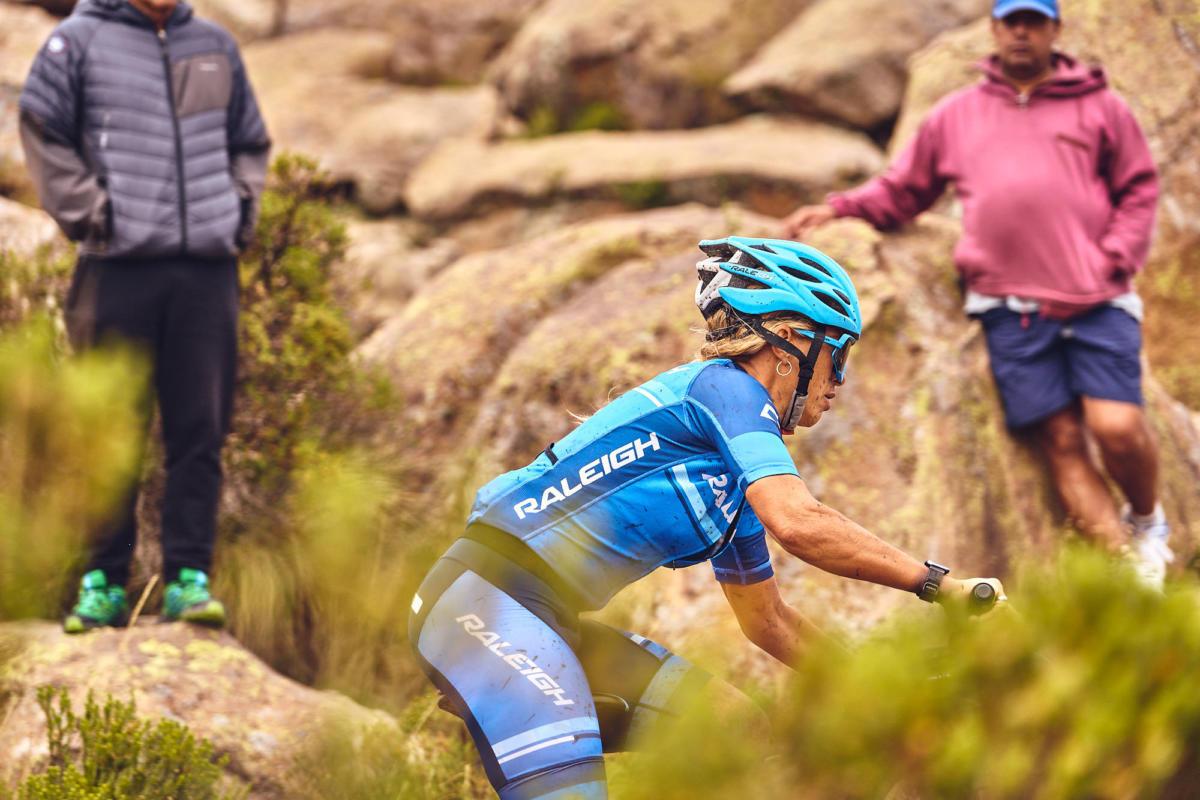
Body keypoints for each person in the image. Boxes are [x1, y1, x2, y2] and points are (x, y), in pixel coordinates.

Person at [408, 236, 1005, 800]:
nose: (839, 382)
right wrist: (936, 584)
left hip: (541, 617)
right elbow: (799, 523)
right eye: (838, 354)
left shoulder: (727, 478)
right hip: (485, 604)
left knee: (736, 726)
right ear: (790, 343)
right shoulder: (724, 389)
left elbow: (767, 621)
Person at [782, 0, 1169, 585]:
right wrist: (839, 210)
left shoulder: (1101, 107)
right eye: (1011, 20)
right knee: (1061, 439)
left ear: (1055, 29)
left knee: (1116, 426)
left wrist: (1113, 257)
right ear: (994, 28)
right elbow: (904, 189)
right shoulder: (957, 115)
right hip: (1009, 308)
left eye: (1034, 21)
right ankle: (1132, 581)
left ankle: (1148, 523)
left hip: (1096, 301)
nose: (1021, 32)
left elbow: (1138, 189)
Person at [18, 0, 271, 632]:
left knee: (200, 431)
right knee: (108, 429)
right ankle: (102, 582)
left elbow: (249, 141)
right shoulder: (76, 42)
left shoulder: (215, 45)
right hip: (116, 269)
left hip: (206, 273)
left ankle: (188, 579)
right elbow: (43, 132)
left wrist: (239, 213)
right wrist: (97, 216)